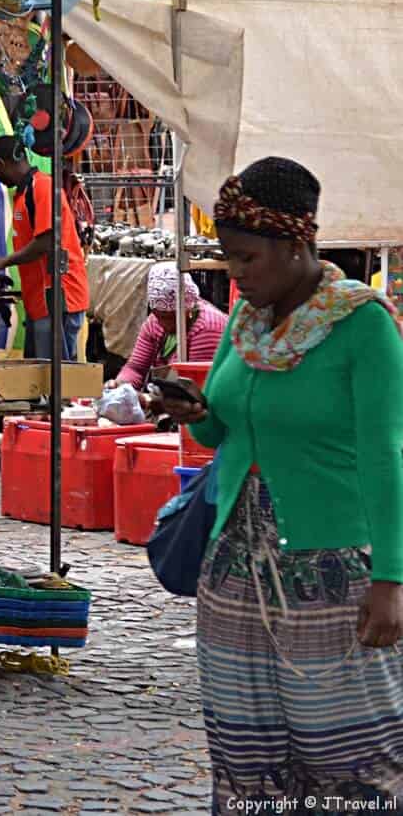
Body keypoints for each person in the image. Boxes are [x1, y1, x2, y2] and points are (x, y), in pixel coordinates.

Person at [148, 156, 403, 806]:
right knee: (245, 749)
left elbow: (386, 455)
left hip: (332, 570)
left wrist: (391, 579)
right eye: (228, 257)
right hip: (234, 569)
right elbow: (223, 432)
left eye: (247, 258)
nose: (234, 274)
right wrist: (196, 412)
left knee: (348, 754)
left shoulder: (363, 325)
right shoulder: (245, 323)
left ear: (295, 244)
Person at [0, 134, 89, 361]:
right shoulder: (25, 192)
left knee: (57, 375)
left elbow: (46, 242)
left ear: (1, 163)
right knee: (37, 373)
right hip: (40, 300)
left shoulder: (42, 187)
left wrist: (3, 262)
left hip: (58, 297)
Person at [115, 263, 229, 389]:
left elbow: (195, 388)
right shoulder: (154, 322)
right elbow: (136, 368)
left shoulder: (208, 328)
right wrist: (119, 385)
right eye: (158, 316)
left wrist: (148, 398)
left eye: (169, 318)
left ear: (187, 309)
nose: (163, 324)